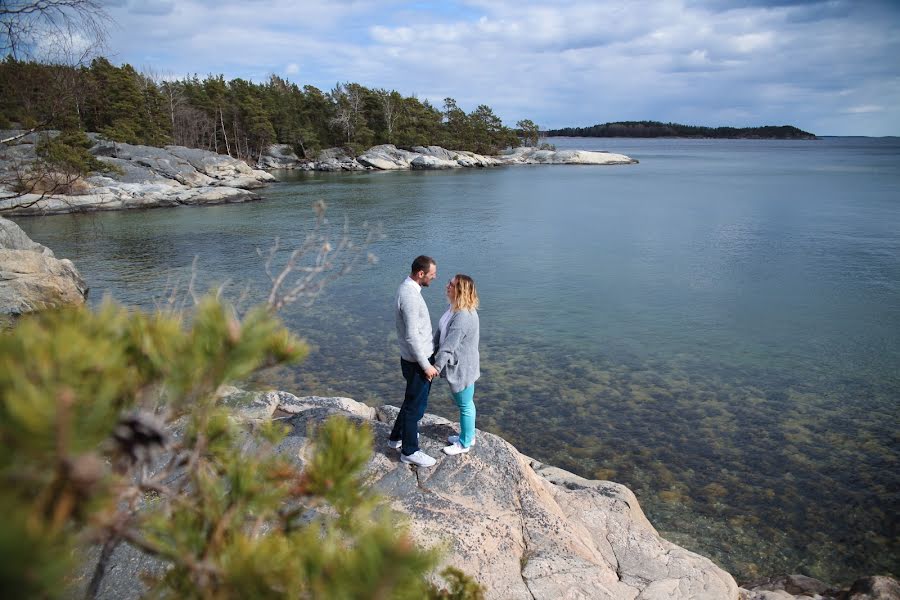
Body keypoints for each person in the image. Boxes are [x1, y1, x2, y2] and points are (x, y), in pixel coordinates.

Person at [388, 255, 440, 467]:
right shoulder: (409, 296)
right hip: (418, 362)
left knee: (410, 401)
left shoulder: (408, 290)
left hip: (413, 359)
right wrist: (426, 365)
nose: (434, 278)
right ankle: (409, 451)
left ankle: (395, 438)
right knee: (416, 407)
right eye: (432, 275)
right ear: (421, 274)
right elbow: (411, 335)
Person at [433, 274, 480, 456]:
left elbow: (449, 346)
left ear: (460, 291)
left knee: (465, 404)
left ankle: (465, 443)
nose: (447, 286)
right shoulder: (453, 308)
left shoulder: (463, 316)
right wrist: (430, 348)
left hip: (463, 367)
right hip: (463, 364)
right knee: (466, 402)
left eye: (451, 285)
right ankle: (469, 435)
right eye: (449, 283)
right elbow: (441, 332)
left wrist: (436, 367)